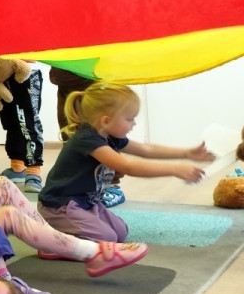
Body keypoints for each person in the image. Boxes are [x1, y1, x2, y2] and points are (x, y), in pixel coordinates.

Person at [38, 82, 214, 245]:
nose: (134, 123)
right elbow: (128, 167)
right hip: (60, 206)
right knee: (106, 238)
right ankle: (52, 243)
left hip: (87, 203)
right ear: (106, 121)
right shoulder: (87, 140)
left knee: (120, 232)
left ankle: (70, 232)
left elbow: (146, 149)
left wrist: (186, 153)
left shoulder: (110, 137)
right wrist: (174, 169)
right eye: (129, 119)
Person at [49, 67, 127, 207]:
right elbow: (57, 75)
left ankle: (109, 186)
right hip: (71, 85)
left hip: (93, 81)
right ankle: (80, 187)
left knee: (101, 141)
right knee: (75, 144)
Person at [0, 63, 46, 193]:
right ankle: (17, 168)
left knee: (27, 122)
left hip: (26, 73)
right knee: (11, 123)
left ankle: (33, 172)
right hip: (4, 74)